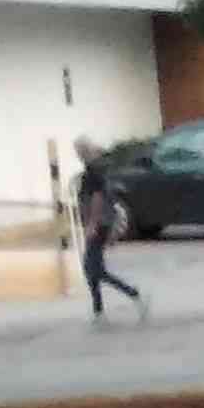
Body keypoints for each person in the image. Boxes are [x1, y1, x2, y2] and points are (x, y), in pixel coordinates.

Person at [73, 137, 145, 322]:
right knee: (92, 270)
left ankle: (133, 294)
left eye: (79, 151)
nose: (77, 154)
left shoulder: (92, 172)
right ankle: (99, 310)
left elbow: (97, 198)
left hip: (99, 224)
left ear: (84, 152)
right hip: (101, 223)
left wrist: (92, 224)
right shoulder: (95, 169)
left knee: (95, 270)